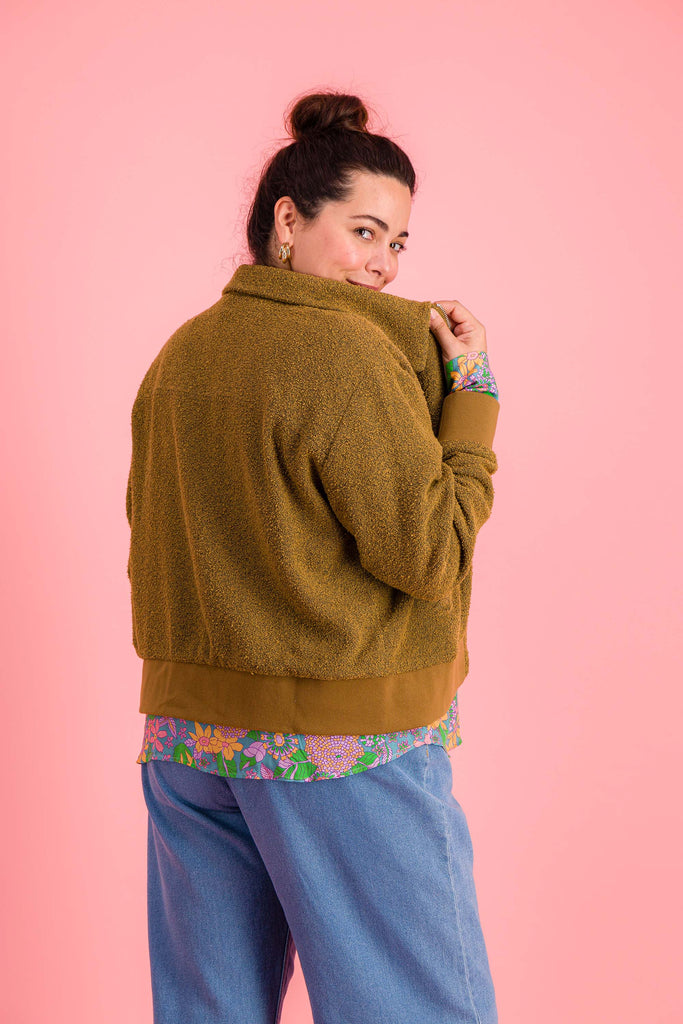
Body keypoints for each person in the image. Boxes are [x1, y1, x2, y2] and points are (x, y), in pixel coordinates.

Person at [126, 89, 501, 1024]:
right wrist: (472, 399)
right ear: (288, 221)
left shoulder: (181, 354)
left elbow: (153, 533)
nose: (383, 264)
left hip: (190, 737)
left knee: (208, 1008)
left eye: (397, 243)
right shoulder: (347, 354)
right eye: (364, 232)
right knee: (412, 1007)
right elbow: (428, 552)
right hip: (338, 741)